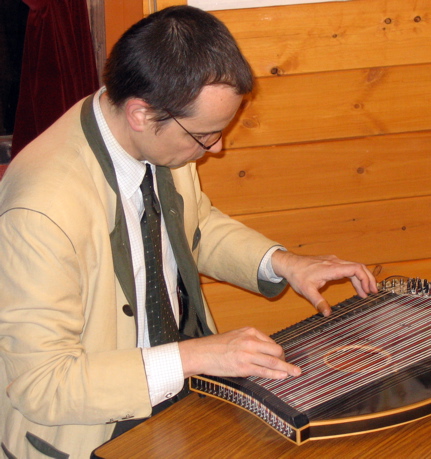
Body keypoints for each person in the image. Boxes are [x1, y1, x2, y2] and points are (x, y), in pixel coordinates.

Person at [0, 6, 377, 458]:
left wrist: (283, 262)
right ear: (141, 113)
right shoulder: (41, 211)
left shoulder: (145, 135)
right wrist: (197, 356)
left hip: (177, 397)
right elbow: (43, 384)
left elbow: (195, 225)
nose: (216, 149)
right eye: (205, 136)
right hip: (91, 433)